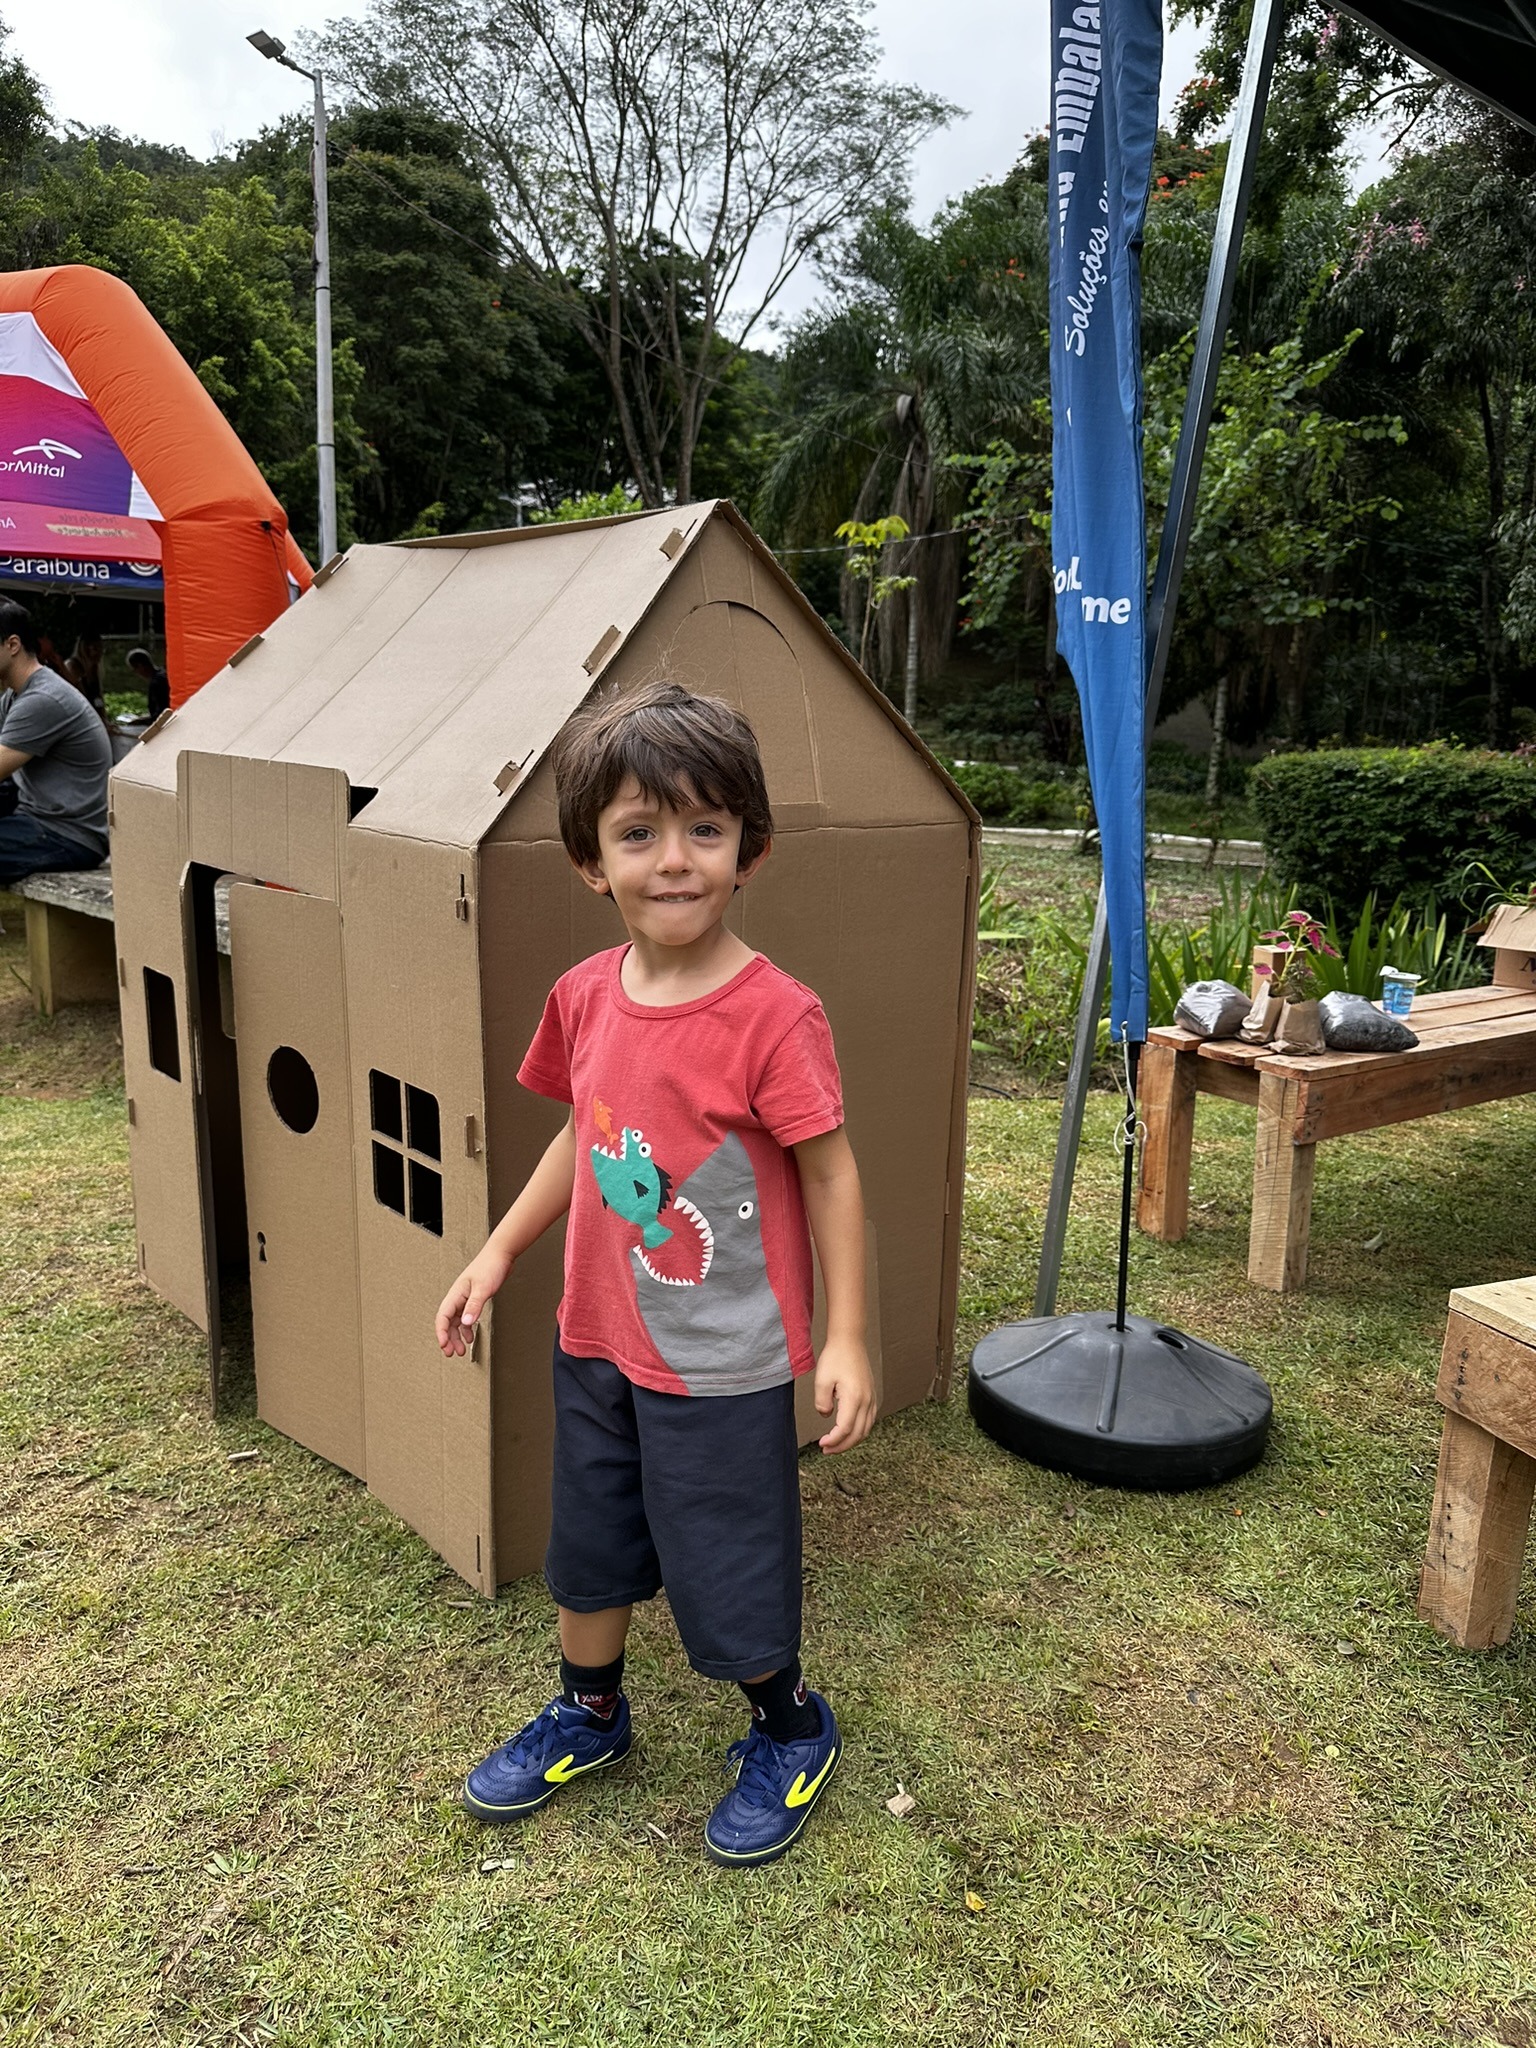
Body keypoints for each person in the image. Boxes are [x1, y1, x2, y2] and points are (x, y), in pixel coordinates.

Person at [436, 679, 876, 1869]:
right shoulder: (583, 997)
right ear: (592, 860)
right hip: (595, 1332)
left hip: (721, 1358)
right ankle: (591, 1710)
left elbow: (831, 1175)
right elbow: (584, 1138)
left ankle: (789, 1726)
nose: (672, 860)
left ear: (750, 849)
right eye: (639, 832)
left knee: (723, 1549)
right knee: (590, 1536)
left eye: (703, 829)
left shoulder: (776, 1014)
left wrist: (846, 1337)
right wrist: (497, 1249)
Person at [0, 599, 113, 885]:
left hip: (68, 836)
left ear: (12, 645)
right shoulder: (16, 696)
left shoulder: (43, 699)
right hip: (39, 819)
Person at [64, 629, 107, 718]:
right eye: (94, 649)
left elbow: (98, 698)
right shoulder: (72, 667)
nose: (97, 654)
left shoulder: (94, 669)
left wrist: (104, 720)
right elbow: (79, 699)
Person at [126, 646, 170, 721]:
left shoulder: (157, 683)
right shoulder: (163, 675)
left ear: (140, 666)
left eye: (134, 670)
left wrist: (140, 721)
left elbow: (161, 714)